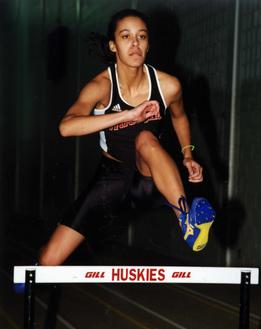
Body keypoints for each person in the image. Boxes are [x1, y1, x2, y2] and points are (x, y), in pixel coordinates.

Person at [39, 9, 215, 266]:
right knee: (49, 261)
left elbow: (179, 116)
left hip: (148, 176)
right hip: (111, 179)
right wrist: (128, 115)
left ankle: (187, 222)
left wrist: (187, 155)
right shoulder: (101, 86)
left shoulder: (168, 86)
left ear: (148, 44)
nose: (135, 44)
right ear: (113, 45)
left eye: (141, 37)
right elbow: (66, 127)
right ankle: (39, 264)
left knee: (145, 138)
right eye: (126, 36)